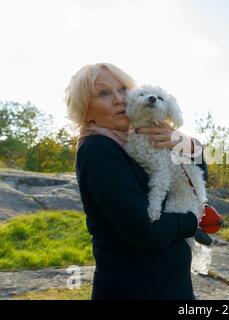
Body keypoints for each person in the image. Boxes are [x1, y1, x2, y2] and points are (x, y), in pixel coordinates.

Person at [65, 63, 208, 300]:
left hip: (172, 286)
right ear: (86, 110)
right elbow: (147, 231)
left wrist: (191, 147)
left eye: (123, 89)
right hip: (133, 289)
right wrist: (192, 222)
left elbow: (196, 179)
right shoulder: (98, 150)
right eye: (103, 93)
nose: (119, 99)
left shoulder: (142, 137)